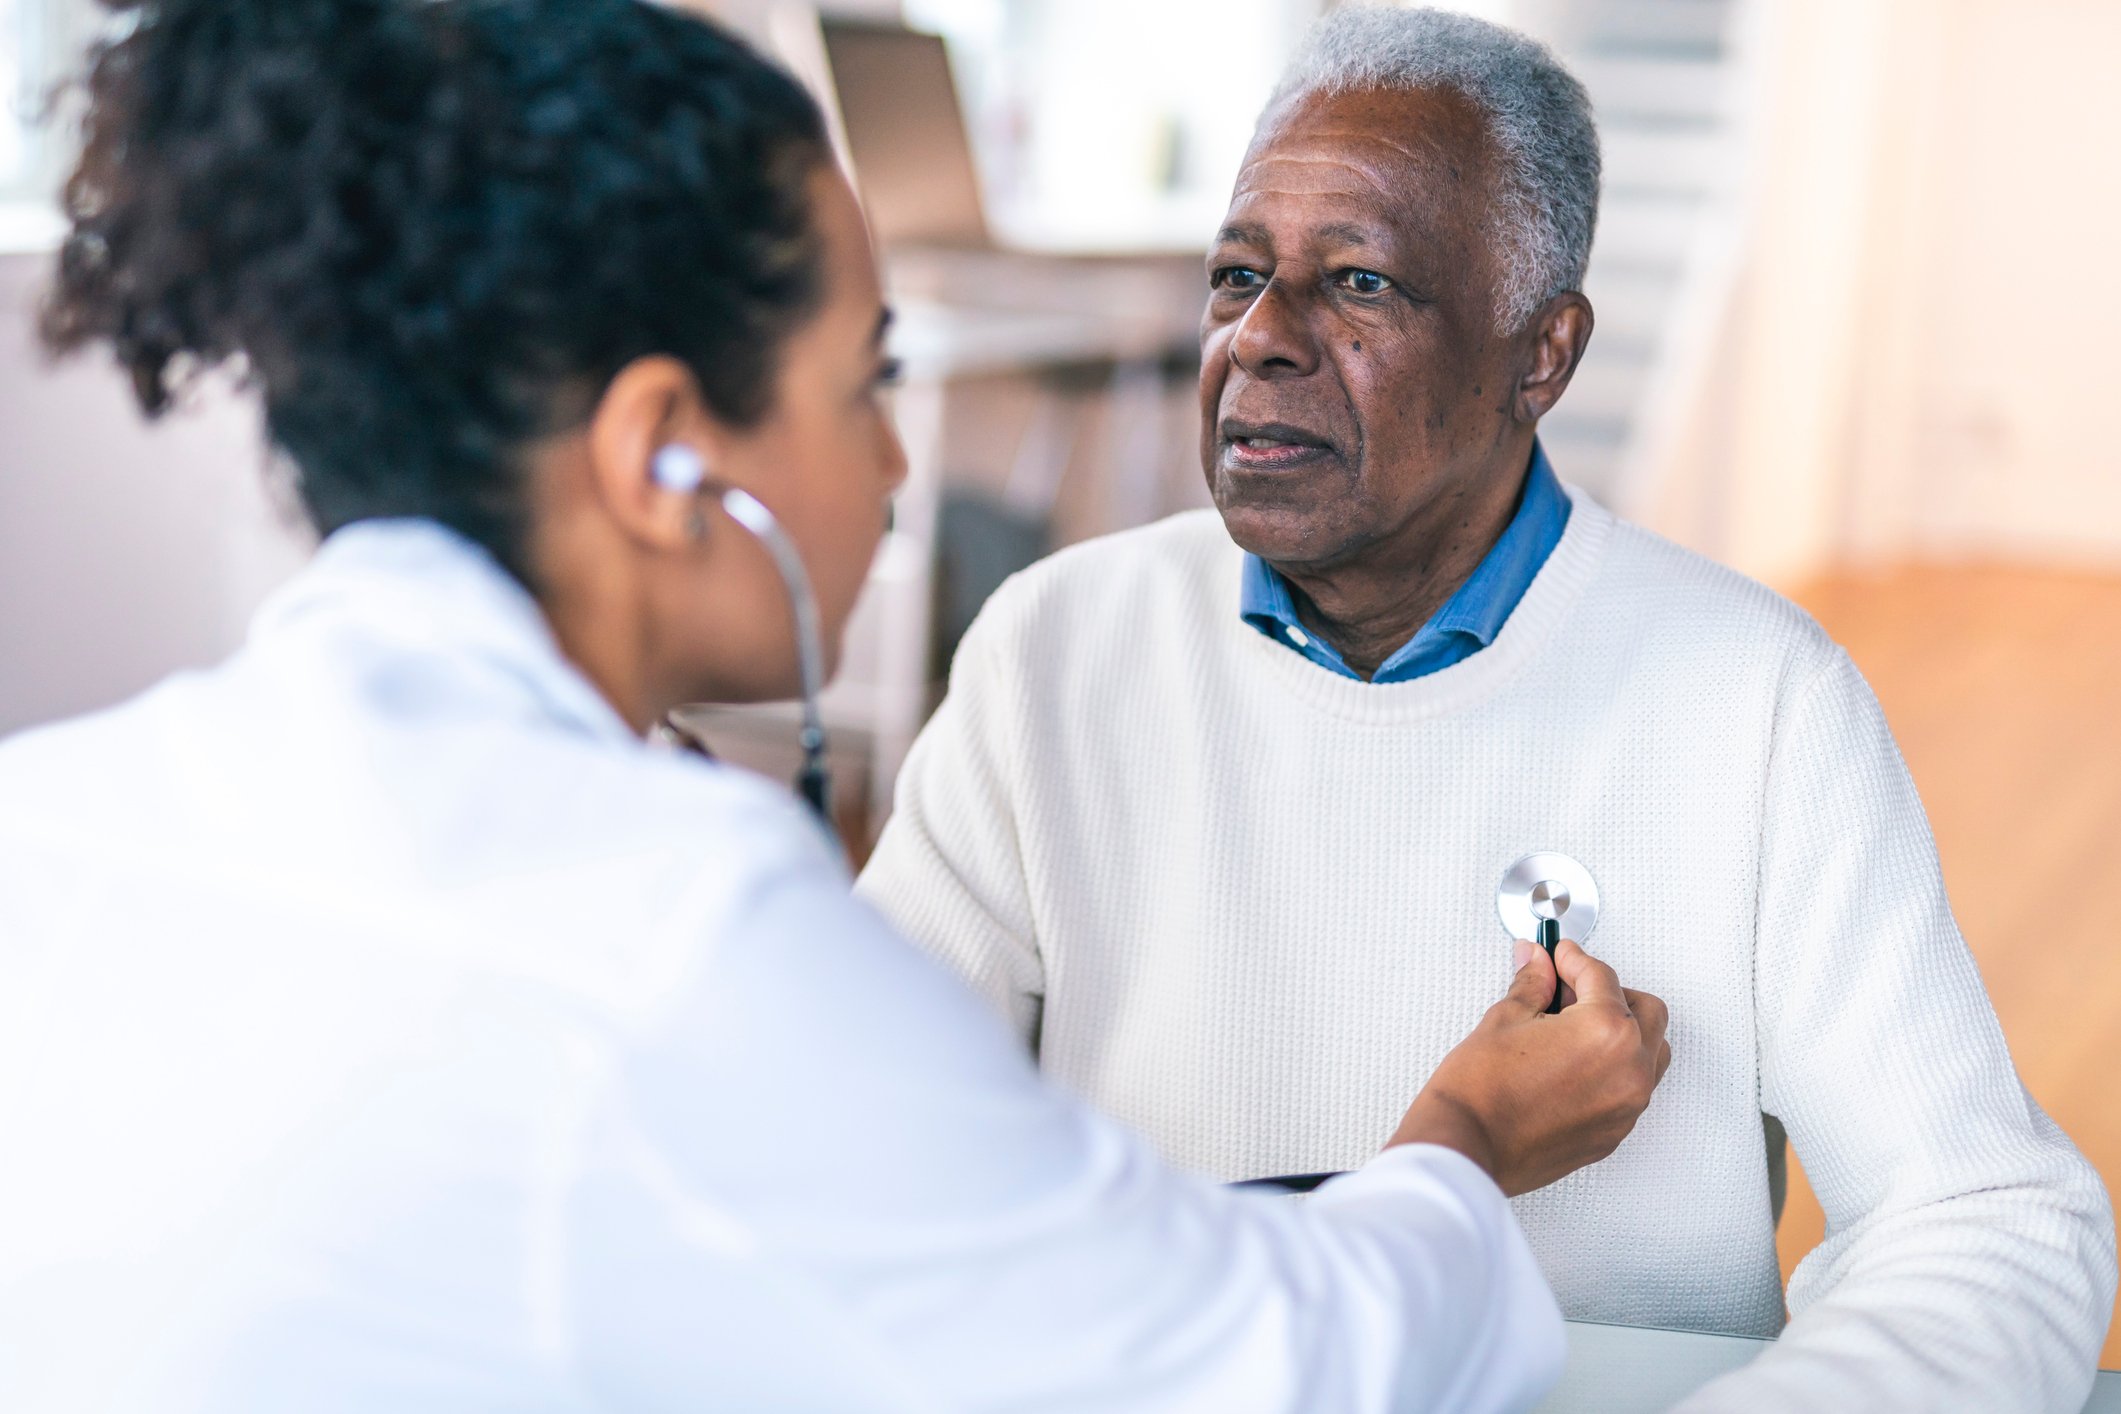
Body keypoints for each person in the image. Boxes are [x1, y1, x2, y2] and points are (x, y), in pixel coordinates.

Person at [0, 3, 1677, 1411]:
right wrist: (1461, 1135)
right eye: (865, 379)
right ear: (668, 453)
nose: (890, 463)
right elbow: (1245, 1367)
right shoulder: (678, 938)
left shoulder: (51, 811)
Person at [856, 7, 2117, 1411]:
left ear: (1542, 356)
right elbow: (853, 1141)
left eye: (1358, 285)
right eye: (1234, 275)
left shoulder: (1759, 697)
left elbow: (1988, 1216)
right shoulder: (1052, 648)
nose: (1260, 339)